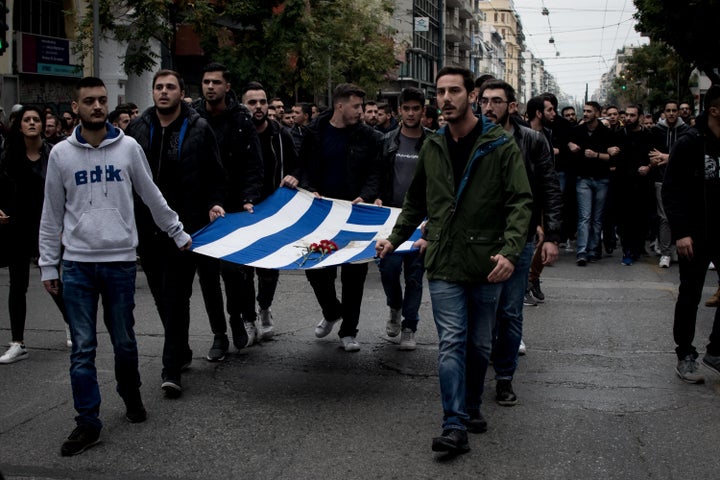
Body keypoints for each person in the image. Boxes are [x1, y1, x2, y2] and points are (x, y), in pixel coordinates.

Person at [376, 66, 532, 454]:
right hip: (444, 258)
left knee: (480, 346)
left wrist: (510, 252)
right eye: (441, 92)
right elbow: (416, 201)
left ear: (471, 96)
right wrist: (395, 240)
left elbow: (520, 202)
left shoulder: (499, 144)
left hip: (487, 261)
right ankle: (454, 423)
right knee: (451, 342)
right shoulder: (433, 144)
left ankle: (473, 405)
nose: (445, 99)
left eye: (454, 91)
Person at [38, 76, 191, 456]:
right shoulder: (60, 155)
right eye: (88, 100)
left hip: (121, 263)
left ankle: (130, 393)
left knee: (124, 341)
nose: (96, 106)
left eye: (102, 100)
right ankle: (87, 421)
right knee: (83, 348)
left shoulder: (129, 148)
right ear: (75, 107)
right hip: (77, 265)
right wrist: (47, 265)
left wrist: (177, 231)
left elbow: (151, 194)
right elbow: (51, 215)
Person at [125, 70, 226, 399]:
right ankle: (180, 350)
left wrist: (214, 203)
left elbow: (214, 172)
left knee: (176, 295)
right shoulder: (138, 128)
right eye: (158, 87)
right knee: (160, 295)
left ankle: (171, 369)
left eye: (170, 87)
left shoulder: (198, 128)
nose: (163, 92)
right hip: (147, 226)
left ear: (182, 92)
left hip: (185, 225)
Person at [479, 86, 561, 407]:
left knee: (511, 310)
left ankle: (504, 378)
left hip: (521, 237)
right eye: (483, 101)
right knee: (483, 308)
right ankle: (481, 364)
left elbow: (549, 188)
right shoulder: (470, 138)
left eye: (496, 101)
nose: (488, 107)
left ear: (511, 106)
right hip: (479, 239)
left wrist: (551, 235)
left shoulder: (533, 140)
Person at [298, 83, 383, 352]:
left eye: (362, 106)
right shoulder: (314, 133)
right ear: (340, 106)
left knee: (354, 274)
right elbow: (304, 167)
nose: (362, 111)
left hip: (354, 213)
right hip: (321, 214)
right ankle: (332, 310)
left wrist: (367, 195)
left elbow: (375, 173)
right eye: (356, 106)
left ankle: (349, 331)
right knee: (316, 269)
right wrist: (309, 188)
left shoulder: (369, 137)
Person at [191, 63, 264, 362]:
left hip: (233, 206)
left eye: (216, 82)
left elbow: (253, 164)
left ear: (227, 87)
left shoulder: (239, 120)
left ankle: (236, 316)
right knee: (207, 275)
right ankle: (219, 334)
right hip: (201, 208)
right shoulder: (193, 118)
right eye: (206, 81)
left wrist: (249, 197)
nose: (210, 87)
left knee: (233, 271)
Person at [0, 106, 70, 364]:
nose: (31, 123)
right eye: (27, 120)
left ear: (43, 124)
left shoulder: (53, 154)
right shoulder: (8, 156)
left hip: (47, 226)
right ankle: (17, 342)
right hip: (17, 226)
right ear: (19, 125)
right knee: (17, 285)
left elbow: (65, 190)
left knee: (52, 280)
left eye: (36, 120)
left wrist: (63, 225)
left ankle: (71, 324)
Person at [662, 84, 720, 384]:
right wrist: (681, 233)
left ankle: (716, 350)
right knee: (690, 295)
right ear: (714, 110)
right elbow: (671, 191)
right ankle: (685, 354)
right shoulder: (690, 143)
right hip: (695, 234)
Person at [240, 81, 301, 348]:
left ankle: (264, 308)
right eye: (252, 102)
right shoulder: (238, 133)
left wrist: (294, 176)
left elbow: (298, 164)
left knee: (268, 269)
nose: (259, 107)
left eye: (262, 102)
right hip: (244, 209)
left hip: (274, 210)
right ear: (244, 106)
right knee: (243, 269)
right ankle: (248, 318)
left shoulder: (280, 134)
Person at [375, 87, 429, 351]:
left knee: (415, 277)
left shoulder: (433, 142)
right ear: (399, 111)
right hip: (390, 219)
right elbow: (376, 177)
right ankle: (394, 307)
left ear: (423, 111)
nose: (410, 113)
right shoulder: (386, 142)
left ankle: (409, 326)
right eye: (406, 108)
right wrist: (373, 196)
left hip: (422, 220)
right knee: (388, 269)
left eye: (415, 108)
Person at [568, 101, 618, 266]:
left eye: (589, 111)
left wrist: (596, 155)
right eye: (584, 111)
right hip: (583, 179)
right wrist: (570, 144)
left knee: (597, 218)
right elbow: (566, 141)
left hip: (602, 179)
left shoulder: (606, 132)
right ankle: (582, 251)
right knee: (585, 217)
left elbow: (612, 157)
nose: (585, 113)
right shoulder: (577, 131)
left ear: (597, 113)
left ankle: (593, 249)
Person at [614, 105, 655, 266]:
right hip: (623, 182)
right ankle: (627, 250)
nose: (628, 118)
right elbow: (610, 154)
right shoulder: (619, 134)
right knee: (624, 219)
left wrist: (648, 167)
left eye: (632, 115)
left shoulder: (649, 135)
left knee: (641, 219)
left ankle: (637, 247)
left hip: (643, 183)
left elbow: (655, 156)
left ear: (640, 117)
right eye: (627, 115)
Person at [650, 101, 689, 268]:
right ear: (664, 113)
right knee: (664, 217)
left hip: (682, 180)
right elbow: (653, 155)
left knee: (681, 215)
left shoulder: (686, 131)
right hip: (661, 178)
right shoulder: (657, 130)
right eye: (668, 111)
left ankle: (677, 249)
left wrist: (668, 157)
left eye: (675, 110)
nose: (672, 113)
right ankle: (665, 252)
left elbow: (687, 156)